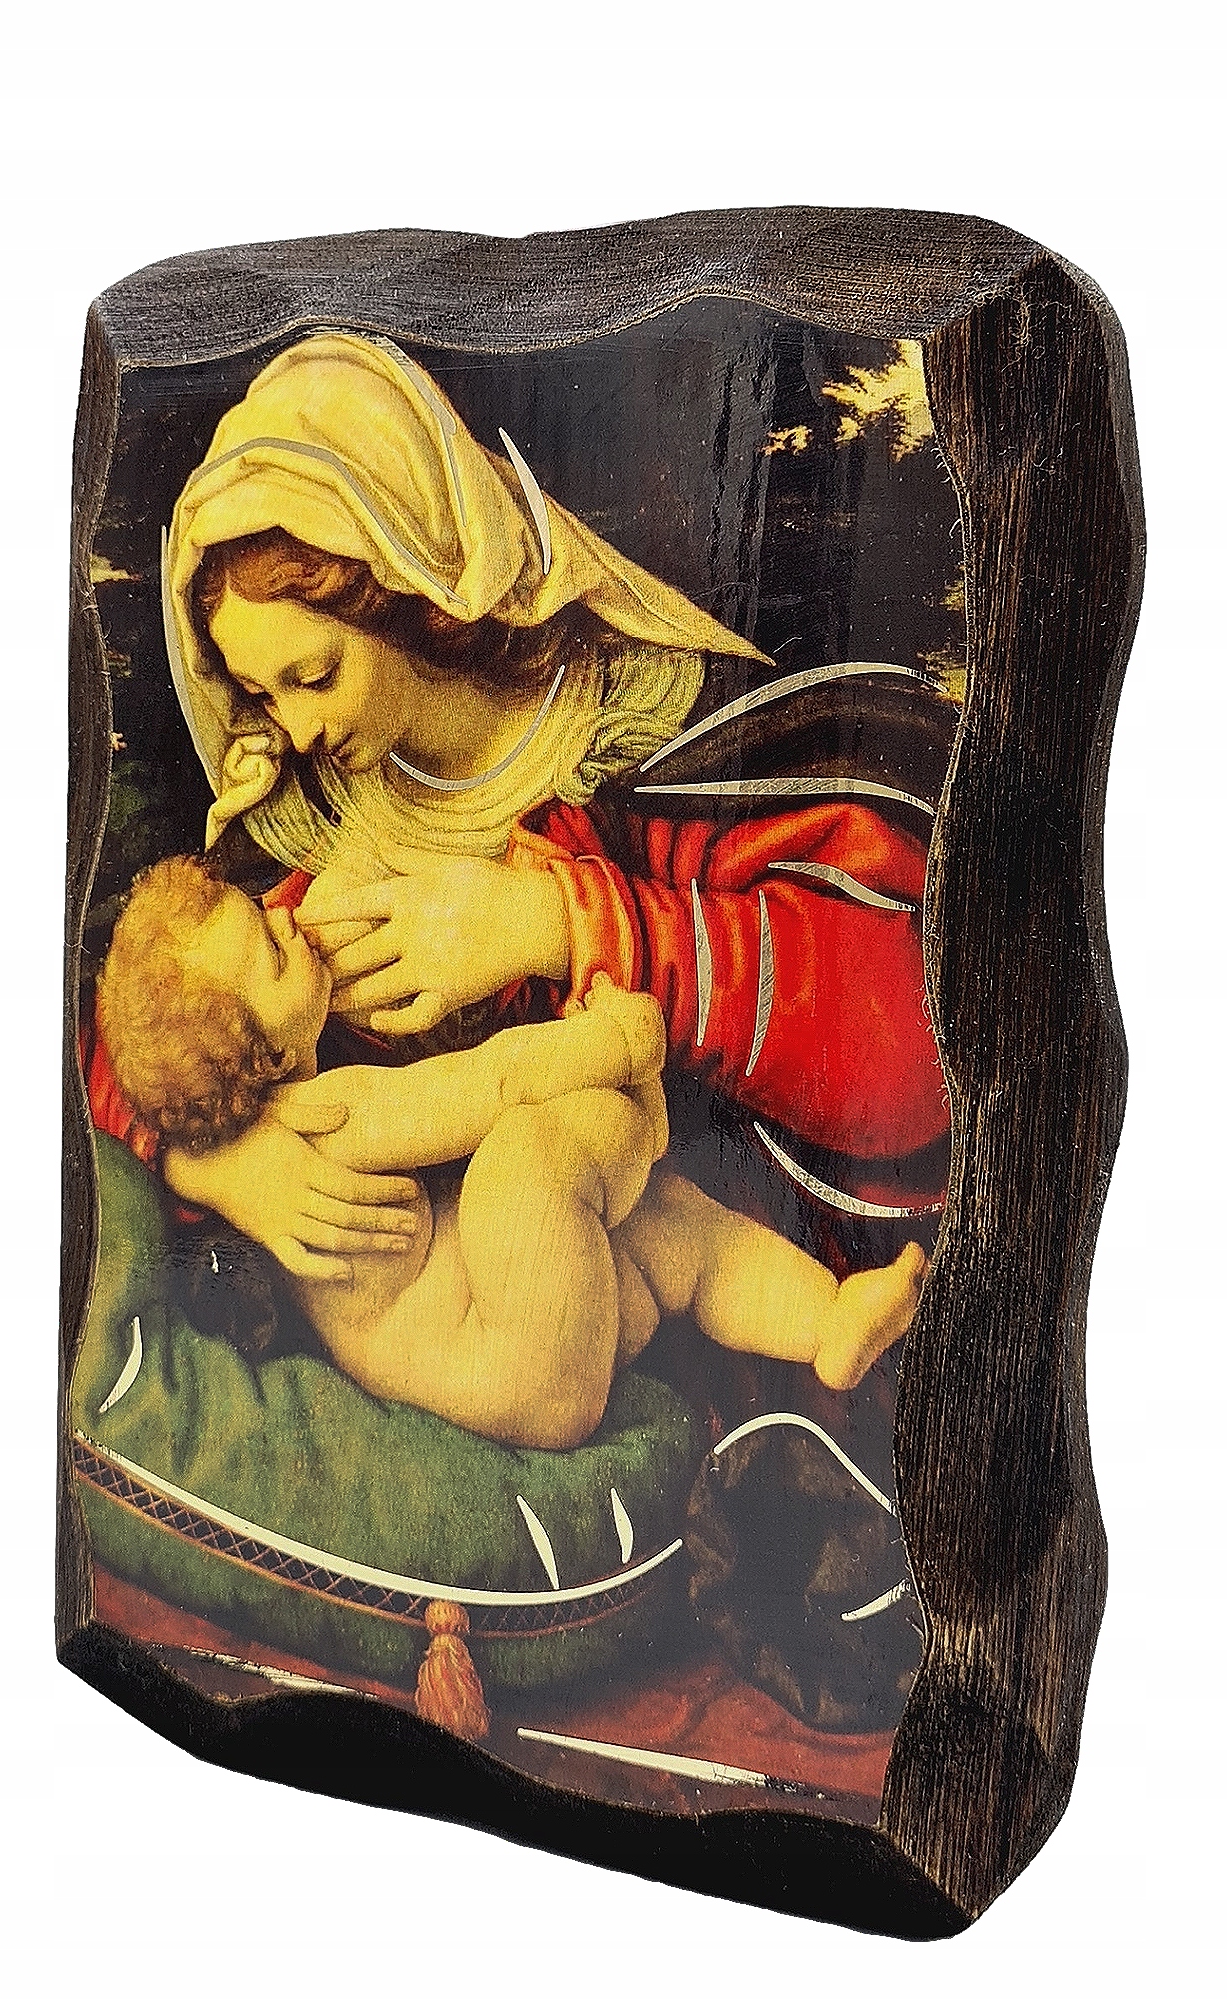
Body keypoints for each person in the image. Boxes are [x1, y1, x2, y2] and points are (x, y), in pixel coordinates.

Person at [87, 330, 948, 1327]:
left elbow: (917, 1047)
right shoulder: (313, 821)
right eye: (264, 695)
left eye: (315, 676)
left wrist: (556, 922)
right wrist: (224, 1166)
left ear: (413, 588)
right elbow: (137, 1033)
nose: (298, 727)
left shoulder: (643, 737)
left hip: (695, 1261)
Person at [95, 857, 928, 1449]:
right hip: (514, 1364)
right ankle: (640, 1122)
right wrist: (616, 1043)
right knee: (520, 1154)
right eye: (273, 952)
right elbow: (494, 1085)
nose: (286, 918)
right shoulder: (325, 1118)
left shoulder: (293, 1106)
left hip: (536, 1328)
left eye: (261, 909)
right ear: (270, 1059)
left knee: (674, 1224)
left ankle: (830, 1322)